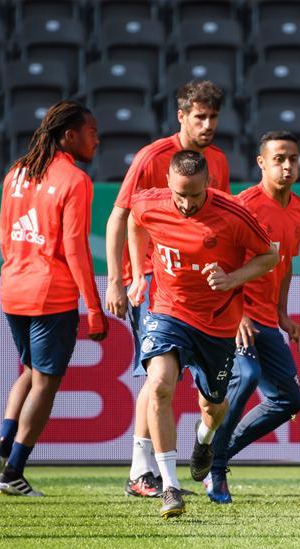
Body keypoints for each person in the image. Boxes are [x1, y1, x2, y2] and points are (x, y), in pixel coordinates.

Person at [126, 151, 277, 518]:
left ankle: (203, 440)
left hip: (217, 324)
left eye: (194, 195)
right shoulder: (150, 202)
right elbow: (134, 221)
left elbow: (269, 255)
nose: (187, 203)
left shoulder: (233, 213)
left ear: (207, 184)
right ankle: (170, 488)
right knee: (159, 383)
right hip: (168, 310)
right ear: (168, 183)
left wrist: (231, 279)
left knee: (214, 407)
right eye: (180, 194)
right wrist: (136, 274)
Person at [104, 80, 230, 498]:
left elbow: (221, 224)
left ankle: (148, 471)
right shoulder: (152, 157)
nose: (208, 124)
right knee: (156, 377)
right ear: (182, 116)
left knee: (177, 385)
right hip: (154, 280)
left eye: (213, 116)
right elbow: (120, 216)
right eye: (200, 116)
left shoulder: (218, 163)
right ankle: (142, 473)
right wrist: (123, 278)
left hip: (200, 288)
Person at [0, 100, 108, 496]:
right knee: (46, 383)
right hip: (50, 294)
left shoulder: (16, 172)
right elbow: (75, 249)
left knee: (29, 371)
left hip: (12, 289)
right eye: (91, 132)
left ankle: (3, 444)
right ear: (69, 135)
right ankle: (13, 471)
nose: (97, 139)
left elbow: (5, 236)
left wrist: (19, 268)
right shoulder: (75, 180)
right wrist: (94, 308)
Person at [203, 131, 300, 503]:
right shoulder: (242, 205)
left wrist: (283, 313)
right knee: (246, 376)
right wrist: (236, 314)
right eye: (279, 158)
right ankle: (216, 471)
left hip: (266, 320)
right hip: (236, 318)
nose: (287, 166)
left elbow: (286, 263)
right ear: (261, 162)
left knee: (288, 401)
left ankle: (216, 453)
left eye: (293, 159)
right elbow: (220, 263)